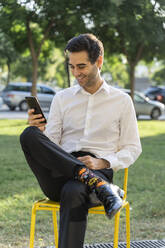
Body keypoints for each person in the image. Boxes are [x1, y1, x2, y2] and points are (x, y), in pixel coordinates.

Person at [20, 33, 142, 248]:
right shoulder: (62, 98)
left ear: (99, 61)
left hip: (97, 169)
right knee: (28, 135)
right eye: (72, 67)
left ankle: (92, 179)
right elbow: (52, 142)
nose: (76, 73)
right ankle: (99, 185)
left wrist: (102, 162)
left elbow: (132, 148)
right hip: (60, 170)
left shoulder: (122, 101)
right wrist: (39, 131)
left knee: (74, 190)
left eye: (82, 66)